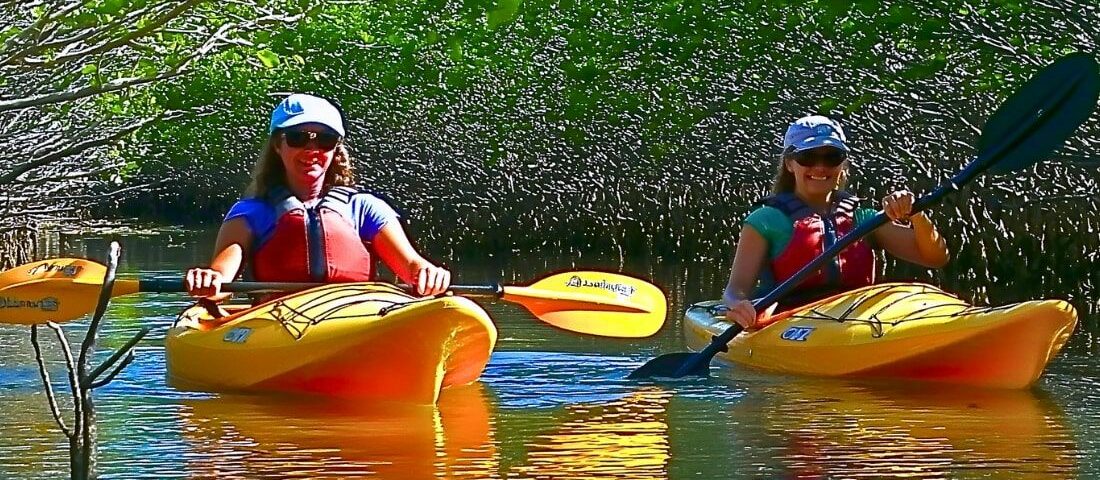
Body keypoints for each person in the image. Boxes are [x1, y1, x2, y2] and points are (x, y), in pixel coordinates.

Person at [184, 93, 450, 301]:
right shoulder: (251, 214)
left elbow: (412, 267)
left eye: (324, 140)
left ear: (336, 149)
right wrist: (209, 281)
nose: (312, 149)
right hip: (276, 322)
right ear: (278, 145)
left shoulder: (366, 209)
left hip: (355, 319)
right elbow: (222, 281)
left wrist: (430, 275)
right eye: (299, 138)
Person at [723, 115, 949, 329]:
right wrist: (738, 306)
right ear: (790, 164)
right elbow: (735, 291)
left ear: (843, 165)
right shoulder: (766, 221)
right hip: (791, 319)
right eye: (808, 157)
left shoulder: (864, 218)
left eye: (831, 157)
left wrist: (916, 213)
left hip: (859, 318)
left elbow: (936, 257)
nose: (820, 167)